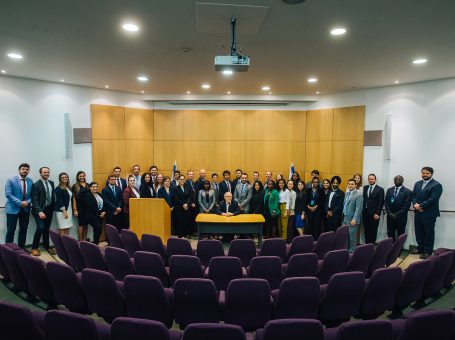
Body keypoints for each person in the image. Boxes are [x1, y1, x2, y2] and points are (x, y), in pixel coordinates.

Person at [411, 167, 443, 259]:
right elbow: (414, 196)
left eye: (427, 173)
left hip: (429, 214)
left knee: (428, 233)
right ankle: (420, 248)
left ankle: (428, 251)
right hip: (418, 213)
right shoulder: (417, 183)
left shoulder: (436, 185)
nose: (425, 175)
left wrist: (421, 206)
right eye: (423, 173)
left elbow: (433, 199)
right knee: (419, 231)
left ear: (431, 174)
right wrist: (415, 204)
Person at [5, 163, 33, 249]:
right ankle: (9, 250)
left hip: (25, 209)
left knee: (23, 229)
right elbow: (8, 194)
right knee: (10, 231)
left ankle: (22, 248)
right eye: (23, 169)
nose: (25, 171)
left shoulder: (30, 181)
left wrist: (27, 202)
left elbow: (31, 195)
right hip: (12, 209)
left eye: (27, 169)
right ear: (19, 170)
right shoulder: (11, 180)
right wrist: (20, 203)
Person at [31, 167, 56, 256]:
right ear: (40, 173)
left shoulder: (51, 183)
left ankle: (47, 247)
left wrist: (53, 208)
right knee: (40, 227)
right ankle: (34, 248)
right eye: (44, 172)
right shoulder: (36, 184)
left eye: (48, 172)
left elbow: (52, 196)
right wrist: (39, 212)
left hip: (49, 209)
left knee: (46, 229)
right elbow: (34, 200)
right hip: (39, 210)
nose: (46, 174)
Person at [385, 175, 412, 241]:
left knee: (400, 234)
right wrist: (390, 213)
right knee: (390, 233)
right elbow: (386, 203)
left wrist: (396, 214)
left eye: (398, 179)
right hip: (390, 216)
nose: (397, 180)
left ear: (402, 181)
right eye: (395, 179)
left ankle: (398, 249)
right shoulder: (389, 190)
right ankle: (390, 247)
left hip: (401, 217)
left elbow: (406, 205)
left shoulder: (408, 192)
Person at [342, 179, 364, 252]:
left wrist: (355, 219)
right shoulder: (346, 193)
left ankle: (352, 252)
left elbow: (359, 208)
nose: (350, 185)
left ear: (355, 185)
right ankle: (346, 250)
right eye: (349, 184)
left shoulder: (359, 194)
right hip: (345, 217)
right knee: (345, 235)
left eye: (352, 184)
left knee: (352, 237)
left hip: (352, 219)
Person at [362, 174, 385, 244]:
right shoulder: (365, 188)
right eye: (369, 179)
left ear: (375, 180)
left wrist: (378, 213)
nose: (370, 180)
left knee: (373, 230)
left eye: (372, 179)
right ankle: (366, 245)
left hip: (374, 214)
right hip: (365, 213)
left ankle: (371, 245)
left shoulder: (380, 189)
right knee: (366, 230)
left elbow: (381, 202)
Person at [54, 172, 74, 236]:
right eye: (62, 177)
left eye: (66, 177)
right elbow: (58, 200)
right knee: (62, 227)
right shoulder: (58, 188)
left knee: (67, 227)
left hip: (69, 210)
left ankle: (67, 243)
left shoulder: (68, 187)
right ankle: (62, 245)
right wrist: (64, 211)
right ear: (60, 179)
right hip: (62, 211)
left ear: (68, 178)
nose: (64, 178)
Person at [72, 171, 90, 241]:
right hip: (80, 208)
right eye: (80, 176)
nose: (82, 177)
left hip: (88, 208)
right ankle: (81, 241)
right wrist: (75, 209)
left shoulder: (88, 185)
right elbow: (74, 199)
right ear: (78, 177)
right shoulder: (75, 186)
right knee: (81, 224)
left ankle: (85, 240)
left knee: (86, 224)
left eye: (83, 176)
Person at [184, 170, 197, 234]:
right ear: (187, 175)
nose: (191, 175)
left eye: (192, 174)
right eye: (190, 174)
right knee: (188, 219)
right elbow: (187, 195)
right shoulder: (185, 183)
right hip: (189, 204)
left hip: (194, 204)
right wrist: (191, 203)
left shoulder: (194, 183)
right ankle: (188, 233)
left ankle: (192, 232)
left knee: (192, 219)